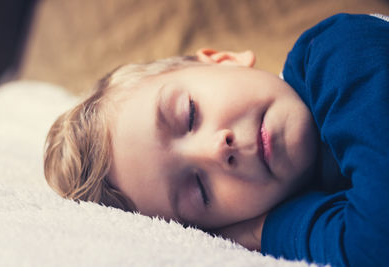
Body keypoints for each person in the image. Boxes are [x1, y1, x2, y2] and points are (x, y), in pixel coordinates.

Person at [44, 13, 389, 266]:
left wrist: (264, 231)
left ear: (224, 60)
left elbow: (373, 245)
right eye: (199, 189)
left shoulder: (339, 51)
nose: (216, 151)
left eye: (190, 114)